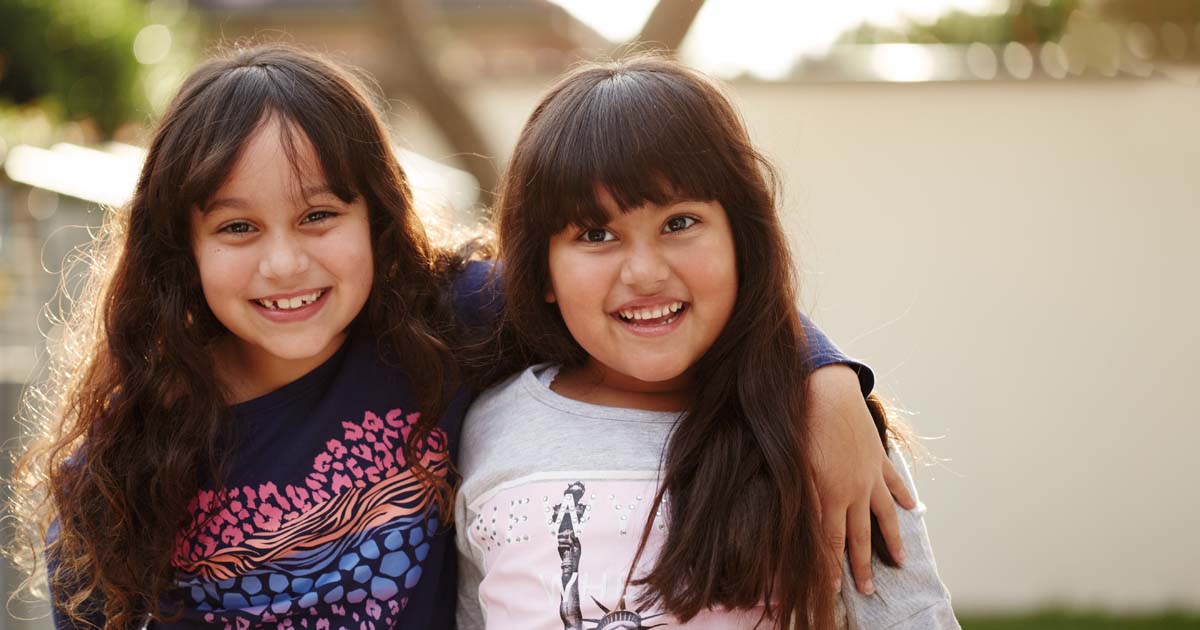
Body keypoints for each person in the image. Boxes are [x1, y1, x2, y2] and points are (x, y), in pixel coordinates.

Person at [9, 45, 905, 630]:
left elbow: (649, 292)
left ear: (378, 216)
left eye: (320, 214)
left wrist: (826, 379)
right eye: (237, 229)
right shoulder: (113, 482)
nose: (284, 264)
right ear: (181, 250)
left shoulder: (448, 323)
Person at [454, 56, 959, 629]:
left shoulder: (824, 431)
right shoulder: (490, 428)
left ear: (743, 238)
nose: (644, 273)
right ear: (541, 268)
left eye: (679, 223)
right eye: (596, 234)